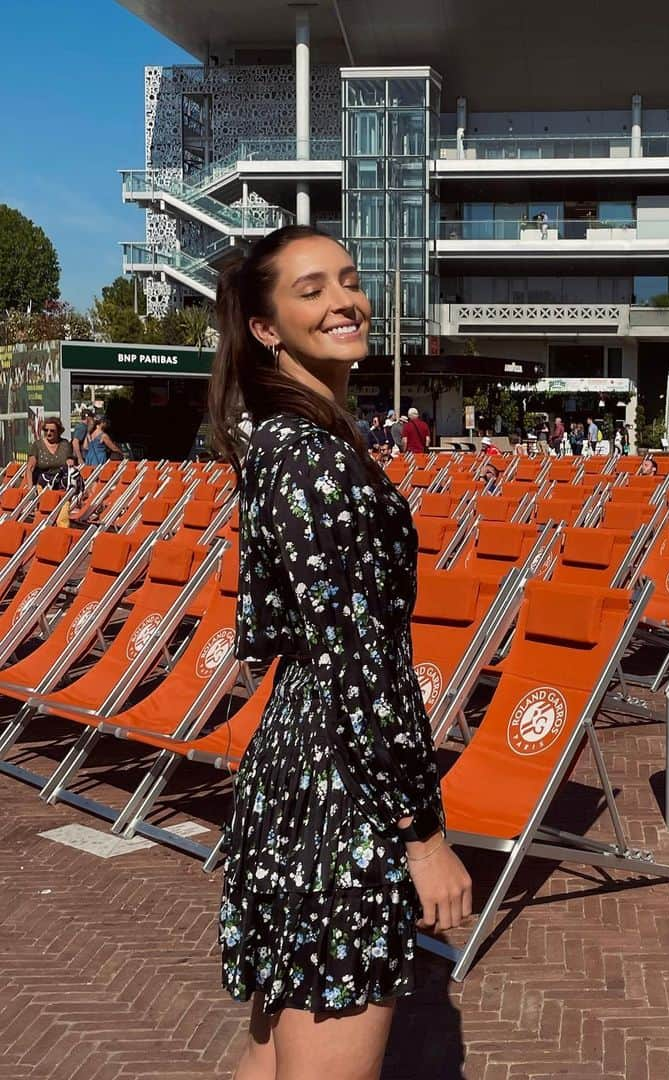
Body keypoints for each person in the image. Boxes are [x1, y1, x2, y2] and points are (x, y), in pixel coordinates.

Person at [206, 225, 471, 1079]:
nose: (344, 301)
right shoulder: (308, 455)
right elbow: (358, 660)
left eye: (349, 281)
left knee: (284, 1035)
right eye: (311, 289)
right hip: (338, 782)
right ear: (266, 327)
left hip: (304, 758)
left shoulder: (293, 440)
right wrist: (423, 836)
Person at [27, 417, 78, 488]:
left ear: (58, 431)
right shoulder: (37, 445)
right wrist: (30, 487)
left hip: (61, 481)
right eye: (46, 430)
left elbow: (70, 462)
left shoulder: (65, 444)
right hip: (43, 483)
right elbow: (30, 468)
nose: (48, 433)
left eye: (52, 431)